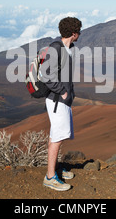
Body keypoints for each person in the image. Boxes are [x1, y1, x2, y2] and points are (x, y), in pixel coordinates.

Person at [41, 16, 81, 191]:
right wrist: (62, 91)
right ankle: (50, 177)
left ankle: (54, 170)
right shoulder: (56, 48)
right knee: (57, 138)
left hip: (61, 100)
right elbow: (45, 74)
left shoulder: (69, 47)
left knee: (55, 136)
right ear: (74, 33)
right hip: (57, 101)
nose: (80, 34)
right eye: (79, 31)